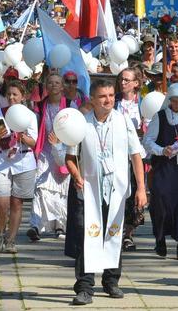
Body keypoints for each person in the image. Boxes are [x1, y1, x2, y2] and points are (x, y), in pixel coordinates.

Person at [63, 80, 147, 306]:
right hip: (89, 190)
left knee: (114, 233)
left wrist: (141, 188)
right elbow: (70, 157)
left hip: (116, 189)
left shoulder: (123, 121)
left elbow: (136, 155)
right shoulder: (81, 123)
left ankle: (111, 280)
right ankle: (84, 286)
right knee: (87, 237)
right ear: (92, 99)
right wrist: (76, 175)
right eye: (103, 96)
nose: (108, 100)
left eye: (111, 95)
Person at [143, 82, 178, 260]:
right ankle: (160, 241)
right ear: (169, 100)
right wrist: (161, 150)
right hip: (164, 169)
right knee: (161, 205)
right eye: (175, 101)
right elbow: (147, 141)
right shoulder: (160, 117)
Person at [0, 81, 37, 254]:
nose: (11, 97)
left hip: (23, 160)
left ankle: (11, 239)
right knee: (1, 202)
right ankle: (0, 234)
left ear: (22, 96)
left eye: (15, 94)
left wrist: (23, 137)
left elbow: (34, 142)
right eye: (8, 94)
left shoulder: (29, 115)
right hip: (2, 160)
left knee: (17, 202)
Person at [27, 74, 70, 241]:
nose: (53, 85)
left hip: (63, 149)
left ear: (62, 87)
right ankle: (36, 225)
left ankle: (61, 224)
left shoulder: (69, 105)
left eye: (57, 83)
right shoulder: (41, 105)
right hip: (45, 150)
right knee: (40, 187)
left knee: (62, 189)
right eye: (50, 82)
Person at [114, 67, 143, 252]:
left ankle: (128, 234)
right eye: (121, 79)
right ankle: (116, 230)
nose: (123, 83)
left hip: (136, 154)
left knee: (134, 194)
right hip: (116, 154)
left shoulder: (142, 103)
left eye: (127, 80)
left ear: (136, 83)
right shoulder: (114, 101)